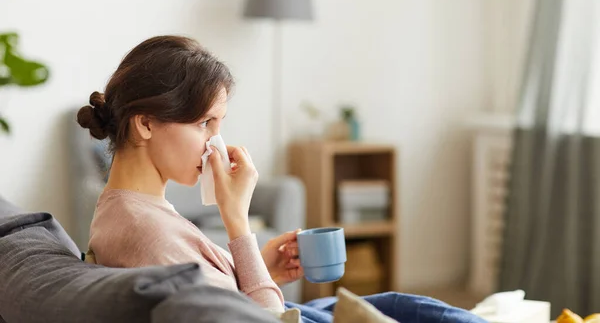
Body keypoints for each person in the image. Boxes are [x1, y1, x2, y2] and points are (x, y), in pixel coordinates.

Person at [79, 35, 486, 323]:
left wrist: (260, 269)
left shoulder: (128, 209)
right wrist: (237, 221)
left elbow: (209, 303)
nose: (214, 143)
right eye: (205, 123)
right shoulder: (147, 233)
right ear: (146, 124)